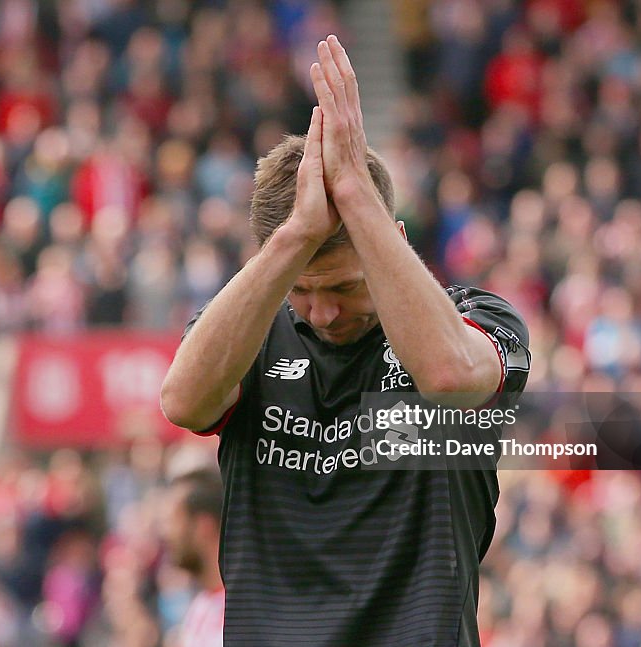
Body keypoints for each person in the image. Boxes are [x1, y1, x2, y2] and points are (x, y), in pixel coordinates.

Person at [161, 35, 531, 646]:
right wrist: (294, 237)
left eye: (346, 286)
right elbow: (183, 401)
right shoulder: (248, 334)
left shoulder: (478, 318)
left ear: (395, 238)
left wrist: (356, 195)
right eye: (302, 288)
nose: (325, 312)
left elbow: (446, 376)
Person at [162, 469, 225, 647]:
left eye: (173, 521)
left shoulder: (248, 614)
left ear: (203, 526)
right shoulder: (199, 609)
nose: (166, 534)